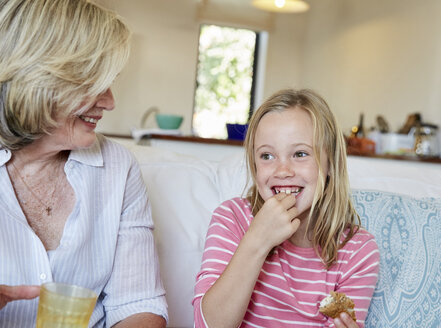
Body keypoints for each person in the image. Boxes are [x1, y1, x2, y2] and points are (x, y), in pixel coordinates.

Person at [0, 0, 168, 327]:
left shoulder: (118, 167)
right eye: (92, 85)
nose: (109, 102)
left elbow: (138, 303)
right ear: (36, 78)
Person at [193, 89, 380, 328]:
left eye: (300, 154)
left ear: (330, 163)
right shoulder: (232, 219)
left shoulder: (357, 251)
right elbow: (208, 325)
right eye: (267, 156)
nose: (282, 171)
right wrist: (257, 241)